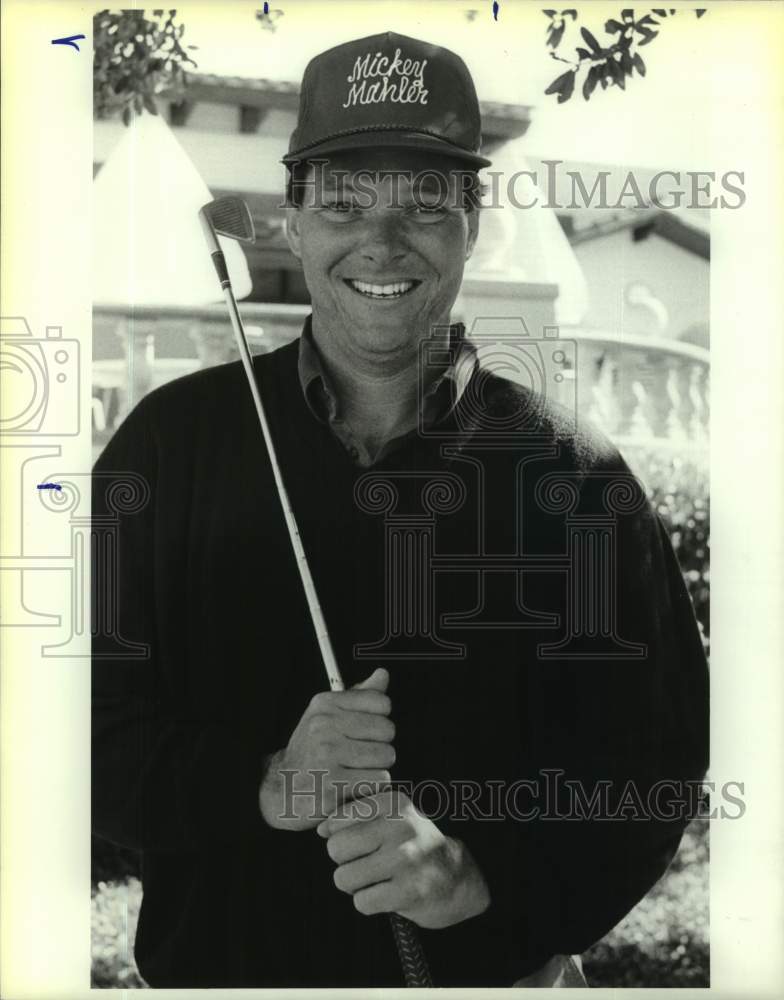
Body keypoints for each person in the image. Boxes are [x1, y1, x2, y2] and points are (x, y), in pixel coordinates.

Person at [92, 31, 709, 988]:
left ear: (473, 222)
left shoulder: (576, 477)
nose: (382, 243)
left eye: (426, 205)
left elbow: (650, 767)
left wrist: (479, 877)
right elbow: (73, 727)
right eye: (343, 203)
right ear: (292, 220)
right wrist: (263, 784)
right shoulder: (168, 450)